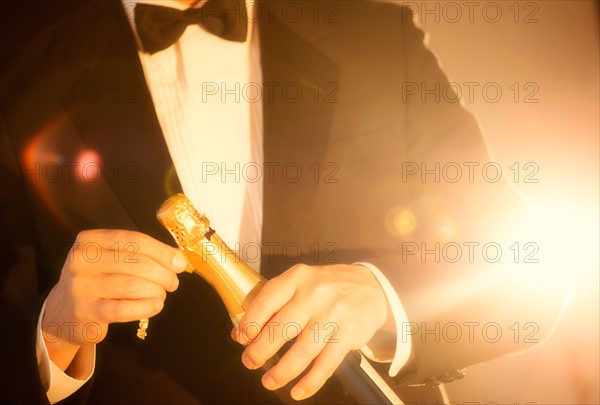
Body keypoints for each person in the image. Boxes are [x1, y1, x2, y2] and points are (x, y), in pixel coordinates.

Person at [0, 0, 565, 403]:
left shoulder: (374, 31)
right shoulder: (17, 56)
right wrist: (53, 334)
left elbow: (528, 275)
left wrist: (384, 299)